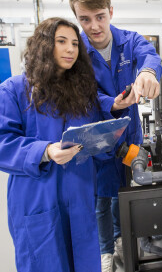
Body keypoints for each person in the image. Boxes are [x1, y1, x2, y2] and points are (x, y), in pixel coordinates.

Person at [69, 0, 162, 270]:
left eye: (100, 16)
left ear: (110, 11)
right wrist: (110, 103)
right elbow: (80, 94)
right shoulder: (78, 52)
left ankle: (122, 241)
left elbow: (150, 55)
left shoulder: (129, 40)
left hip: (129, 134)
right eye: (85, 19)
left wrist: (147, 72)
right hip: (97, 138)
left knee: (124, 193)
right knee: (102, 198)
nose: (94, 26)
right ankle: (105, 251)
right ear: (77, 18)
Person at [0, 17, 106, 272]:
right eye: (61, 42)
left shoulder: (82, 93)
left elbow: (91, 135)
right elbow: (3, 143)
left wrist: (106, 138)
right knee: (45, 262)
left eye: (74, 44)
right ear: (44, 45)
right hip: (37, 198)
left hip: (79, 193)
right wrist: (45, 151)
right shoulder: (14, 90)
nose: (70, 49)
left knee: (83, 262)